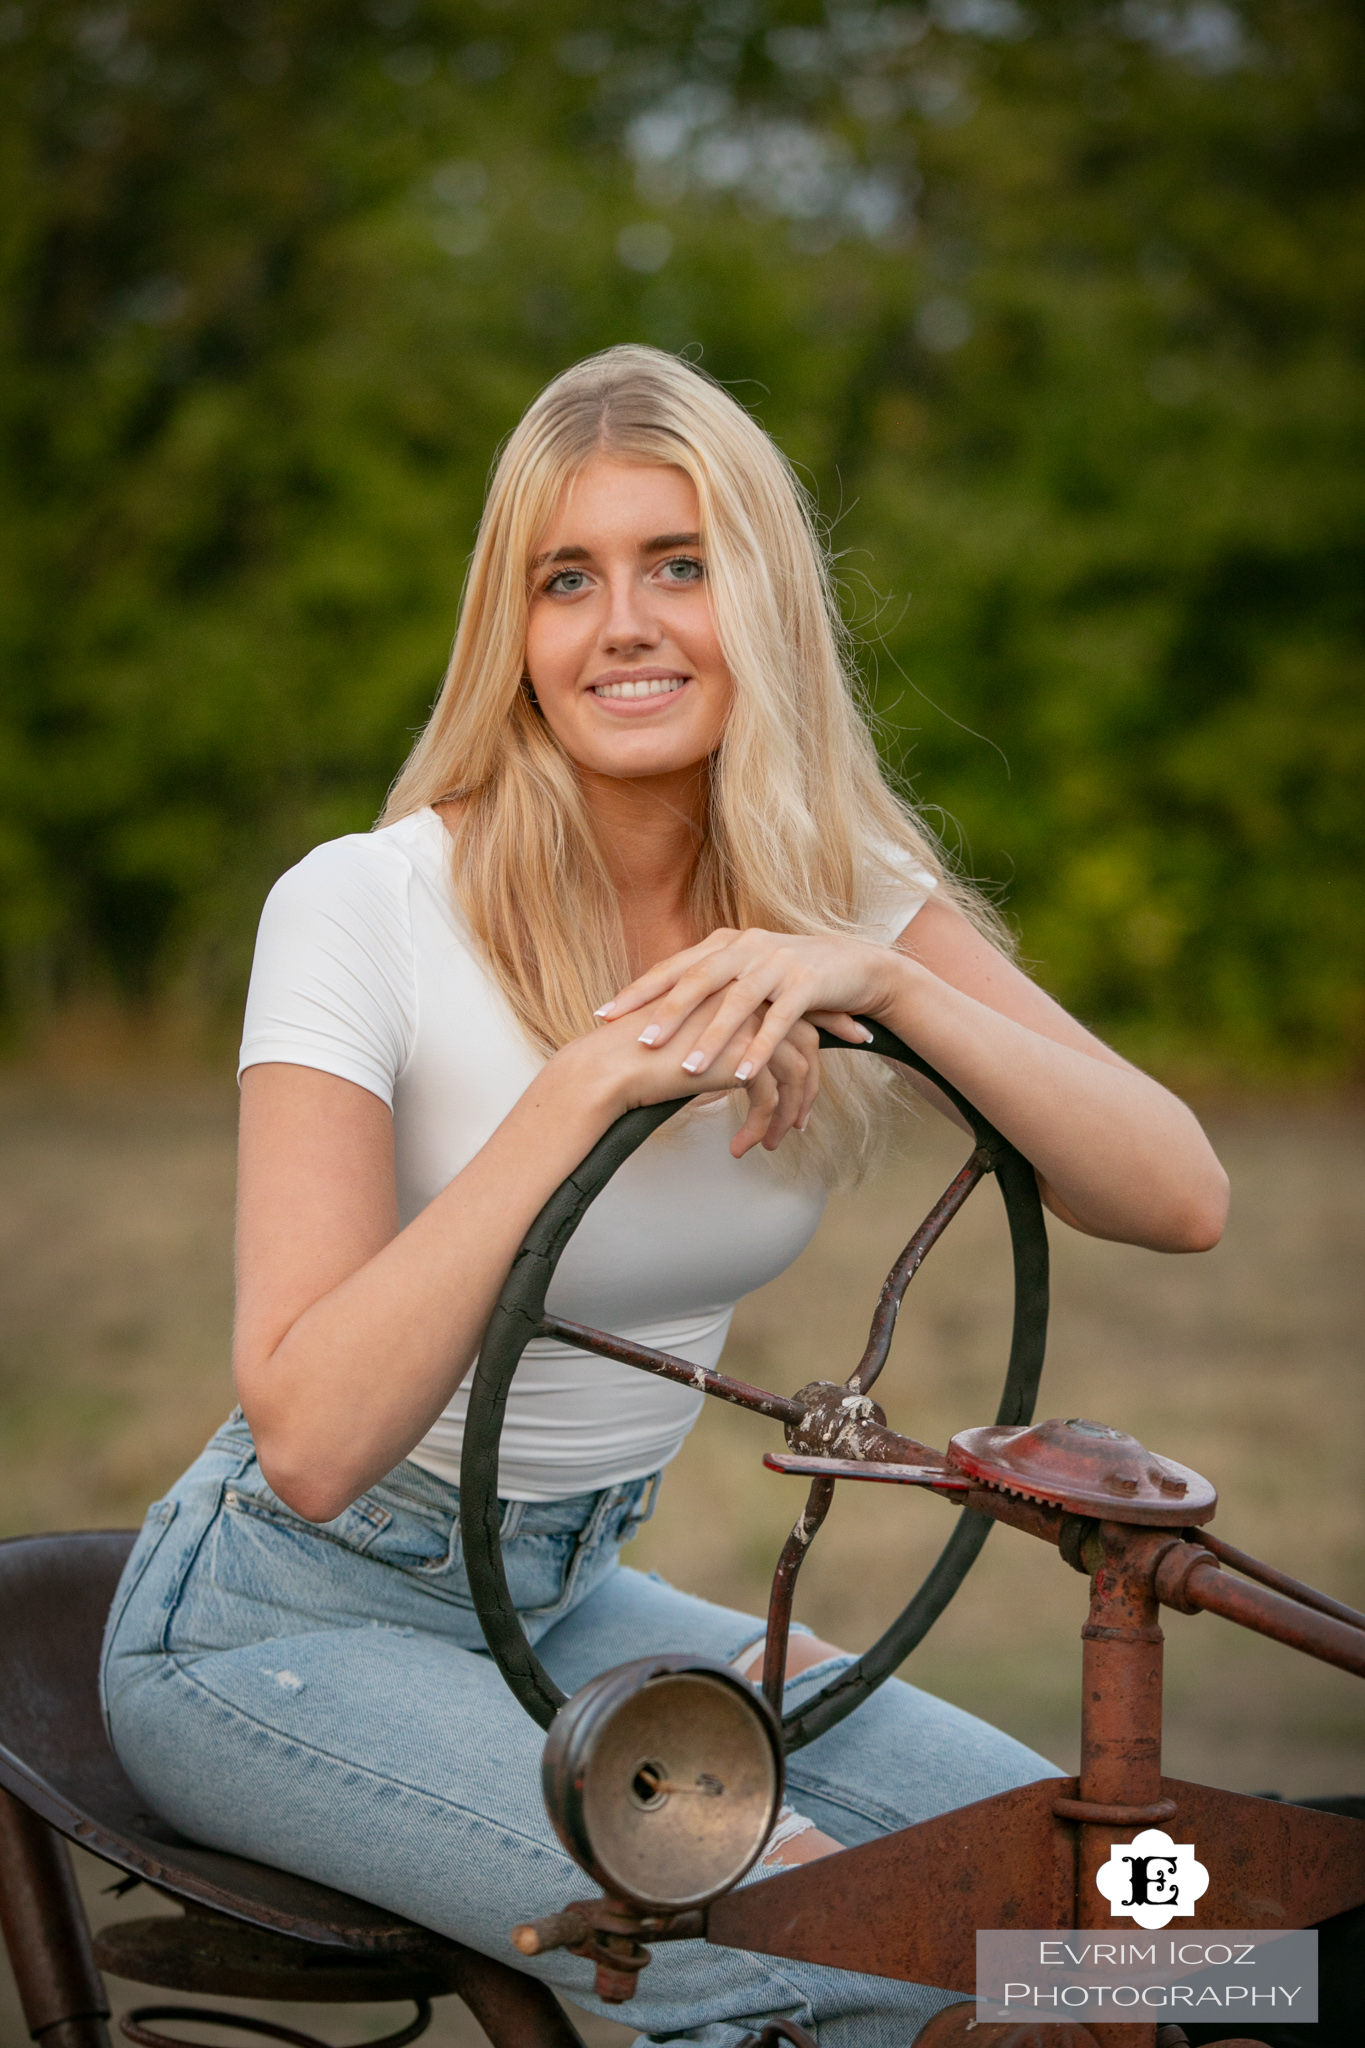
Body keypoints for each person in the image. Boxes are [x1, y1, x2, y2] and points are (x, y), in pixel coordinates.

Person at [100, 345, 1229, 2046]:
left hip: (570, 1598)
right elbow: (317, 1443)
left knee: (1144, 1909)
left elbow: (1179, 1195)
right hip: (274, 1618)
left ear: (761, 602)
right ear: (516, 633)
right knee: (829, 1935)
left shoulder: (844, 897)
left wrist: (904, 990)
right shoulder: (365, 907)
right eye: (568, 578)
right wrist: (575, 1089)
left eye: (676, 565)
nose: (621, 622)